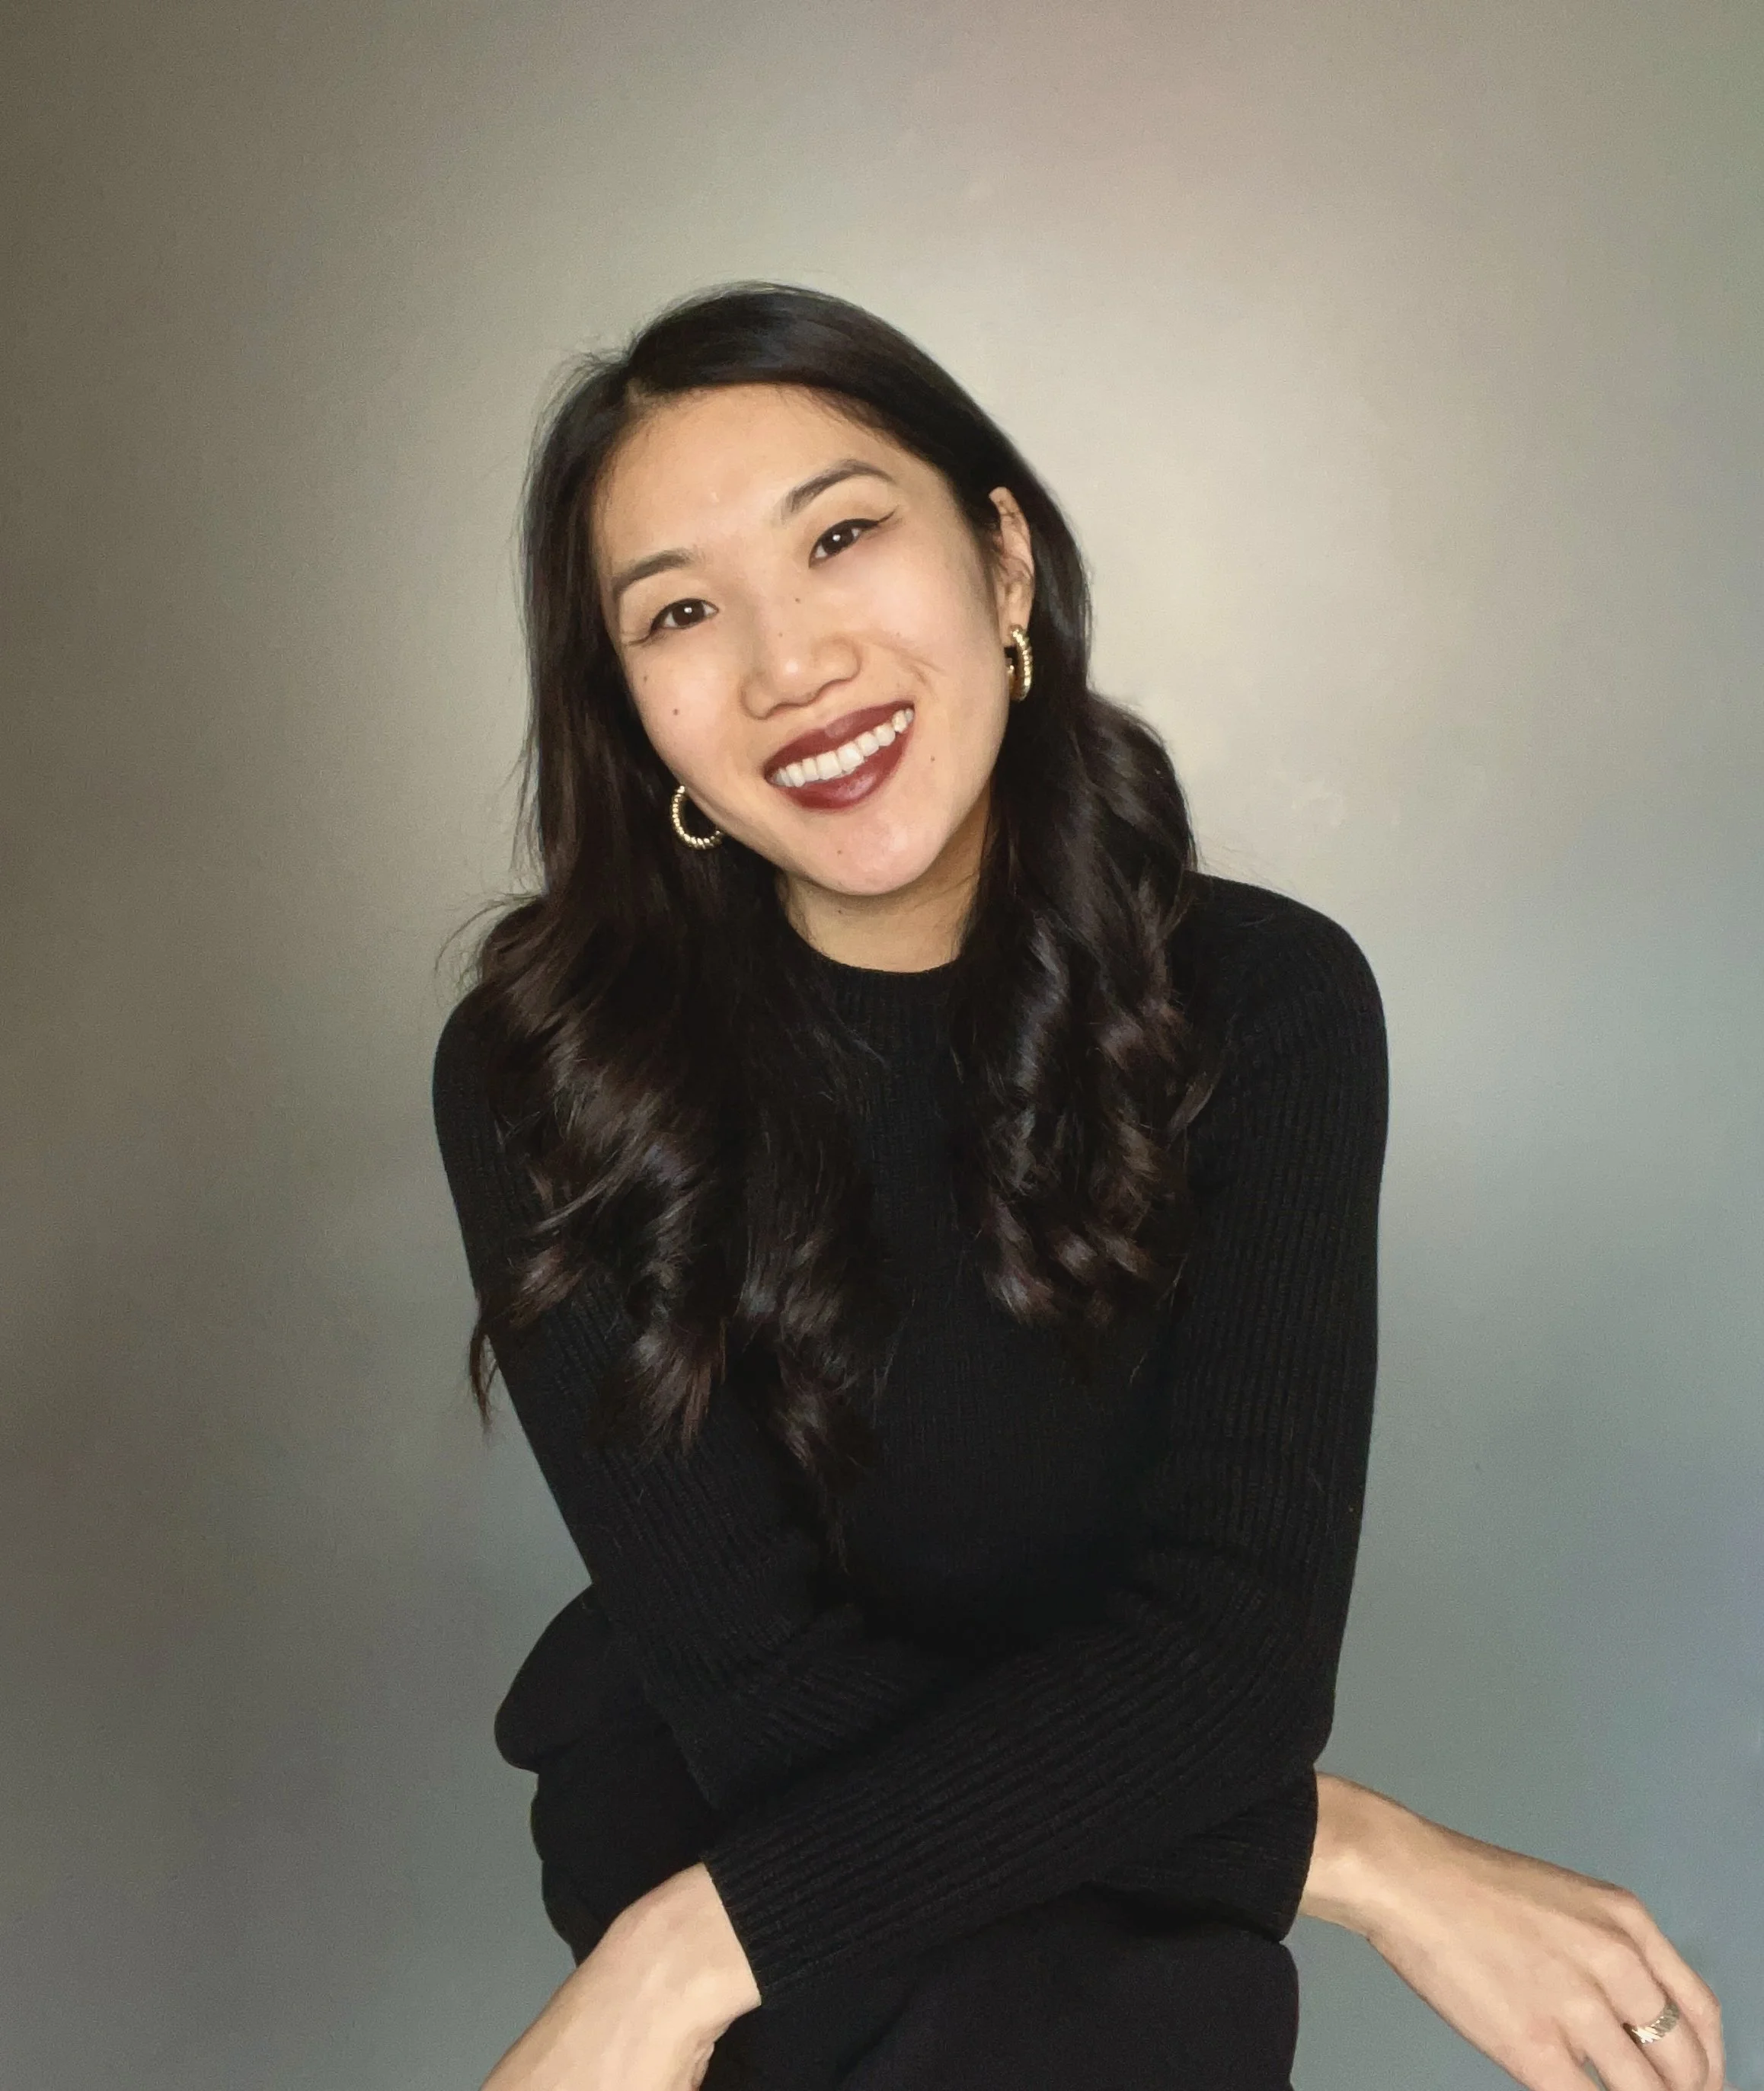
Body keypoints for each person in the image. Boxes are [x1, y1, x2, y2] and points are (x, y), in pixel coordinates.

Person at [431, 282, 1724, 2091]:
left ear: (1006, 563)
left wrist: (672, 1966)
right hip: (737, 1781)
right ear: (631, 709)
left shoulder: (1267, 1011)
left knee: (1107, 2020)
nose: (787, 662)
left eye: (844, 535)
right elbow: (761, 1689)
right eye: (682, 611)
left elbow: (1232, 1669)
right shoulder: (549, 1063)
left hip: (1011, 1831)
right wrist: (1357, 1858)